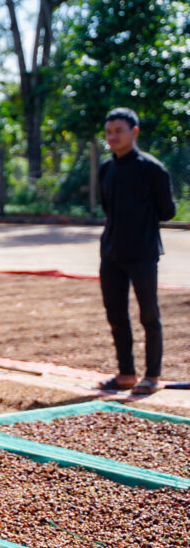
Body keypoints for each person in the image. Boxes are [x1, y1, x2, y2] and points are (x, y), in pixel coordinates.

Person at [95, 107, 176, 396]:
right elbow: (107, 208)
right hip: (112, 253)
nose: (113, 136)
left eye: (118, 130)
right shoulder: (106, 168)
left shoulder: (151, 168)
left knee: (149, 315)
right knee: (116, 314)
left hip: (143, 252)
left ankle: (152, 375)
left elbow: (167, 210)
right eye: (109, 131)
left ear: (134, 132)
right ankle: (126, 373)